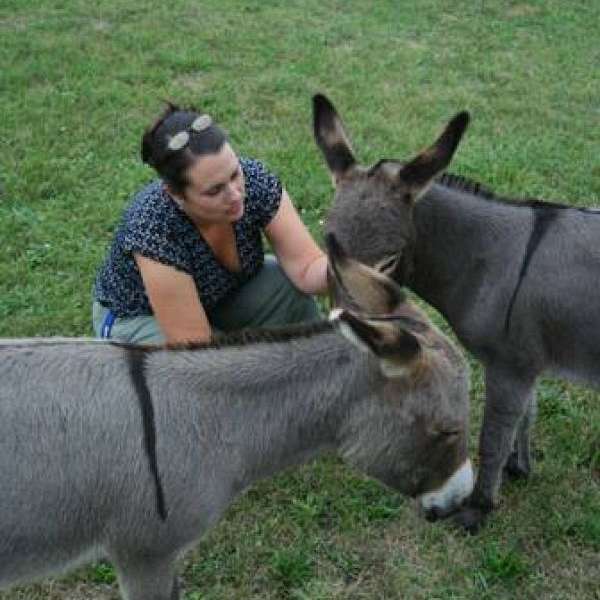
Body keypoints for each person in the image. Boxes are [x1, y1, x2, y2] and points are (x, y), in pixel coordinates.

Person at [92, 103, 329, 344]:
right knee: (213, 373)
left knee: (286, 286)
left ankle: (321, 363)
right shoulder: (153, 228)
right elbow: (197, 351)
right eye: (214, 190)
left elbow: (308, 268)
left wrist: (351, 268)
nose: (235, 194)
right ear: (176, 195)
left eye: (235, 174)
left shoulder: (255, 181)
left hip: (216, 297)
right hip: (139, 317)